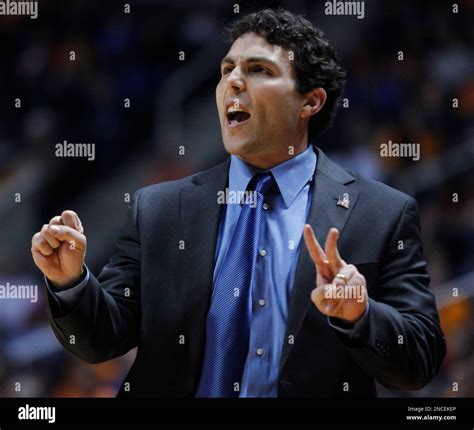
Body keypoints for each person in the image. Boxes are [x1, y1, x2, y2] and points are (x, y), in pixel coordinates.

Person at [31, 8, 446, 397]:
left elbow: (420, 359)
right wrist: (71, 284)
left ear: (310, 101)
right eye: (226, 69)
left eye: (258, 70)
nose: (233, 81)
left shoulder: (382, 213)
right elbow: (102, 340)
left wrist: (360, 315)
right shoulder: (158, 209)